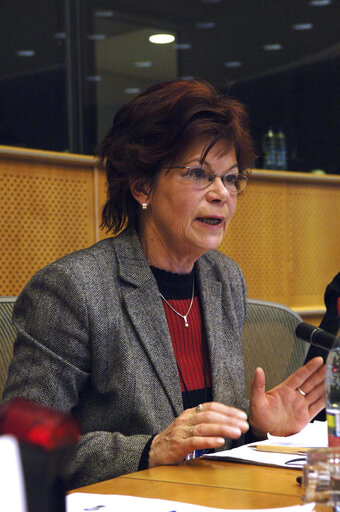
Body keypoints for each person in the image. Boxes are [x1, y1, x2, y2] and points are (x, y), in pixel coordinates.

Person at [2, 80, 325, 489]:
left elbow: (200, 439)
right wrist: (148, 450)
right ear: (142, 186)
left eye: (231, 178)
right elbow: (20, 447)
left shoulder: (223, 279)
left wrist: (257, 427)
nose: (221, 194)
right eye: (198, 174)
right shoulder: (72, 289)